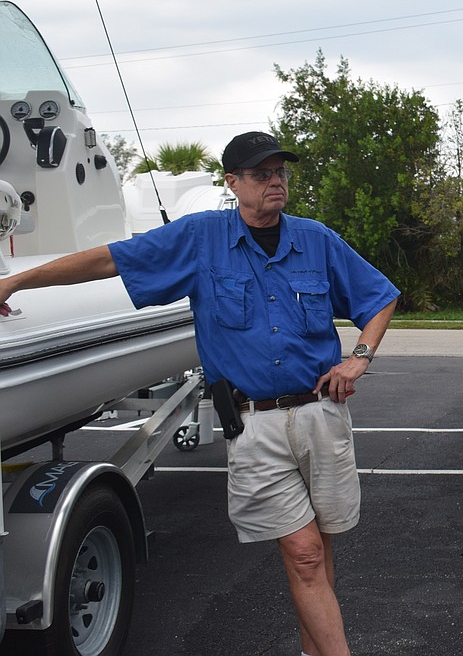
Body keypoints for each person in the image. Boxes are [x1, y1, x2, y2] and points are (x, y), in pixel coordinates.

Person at [0, 131, 399, 656]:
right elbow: (109, 260)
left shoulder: (316, 239)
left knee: (319, 552)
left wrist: (360, 357)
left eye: (280, 172)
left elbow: (380, 297)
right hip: (256, 424)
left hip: (321, 416)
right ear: (233, 184)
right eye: (261, 174)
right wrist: (16, 282)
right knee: (303, 553)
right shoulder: (200, 238)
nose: (275, 182)